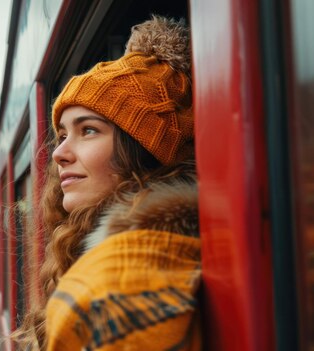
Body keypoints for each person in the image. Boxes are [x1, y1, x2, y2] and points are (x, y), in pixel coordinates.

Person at [12, 15, 201, 350]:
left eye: (88, 130)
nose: (59, 154)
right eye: (61, 135)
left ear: (142, 149)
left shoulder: (115, 283)